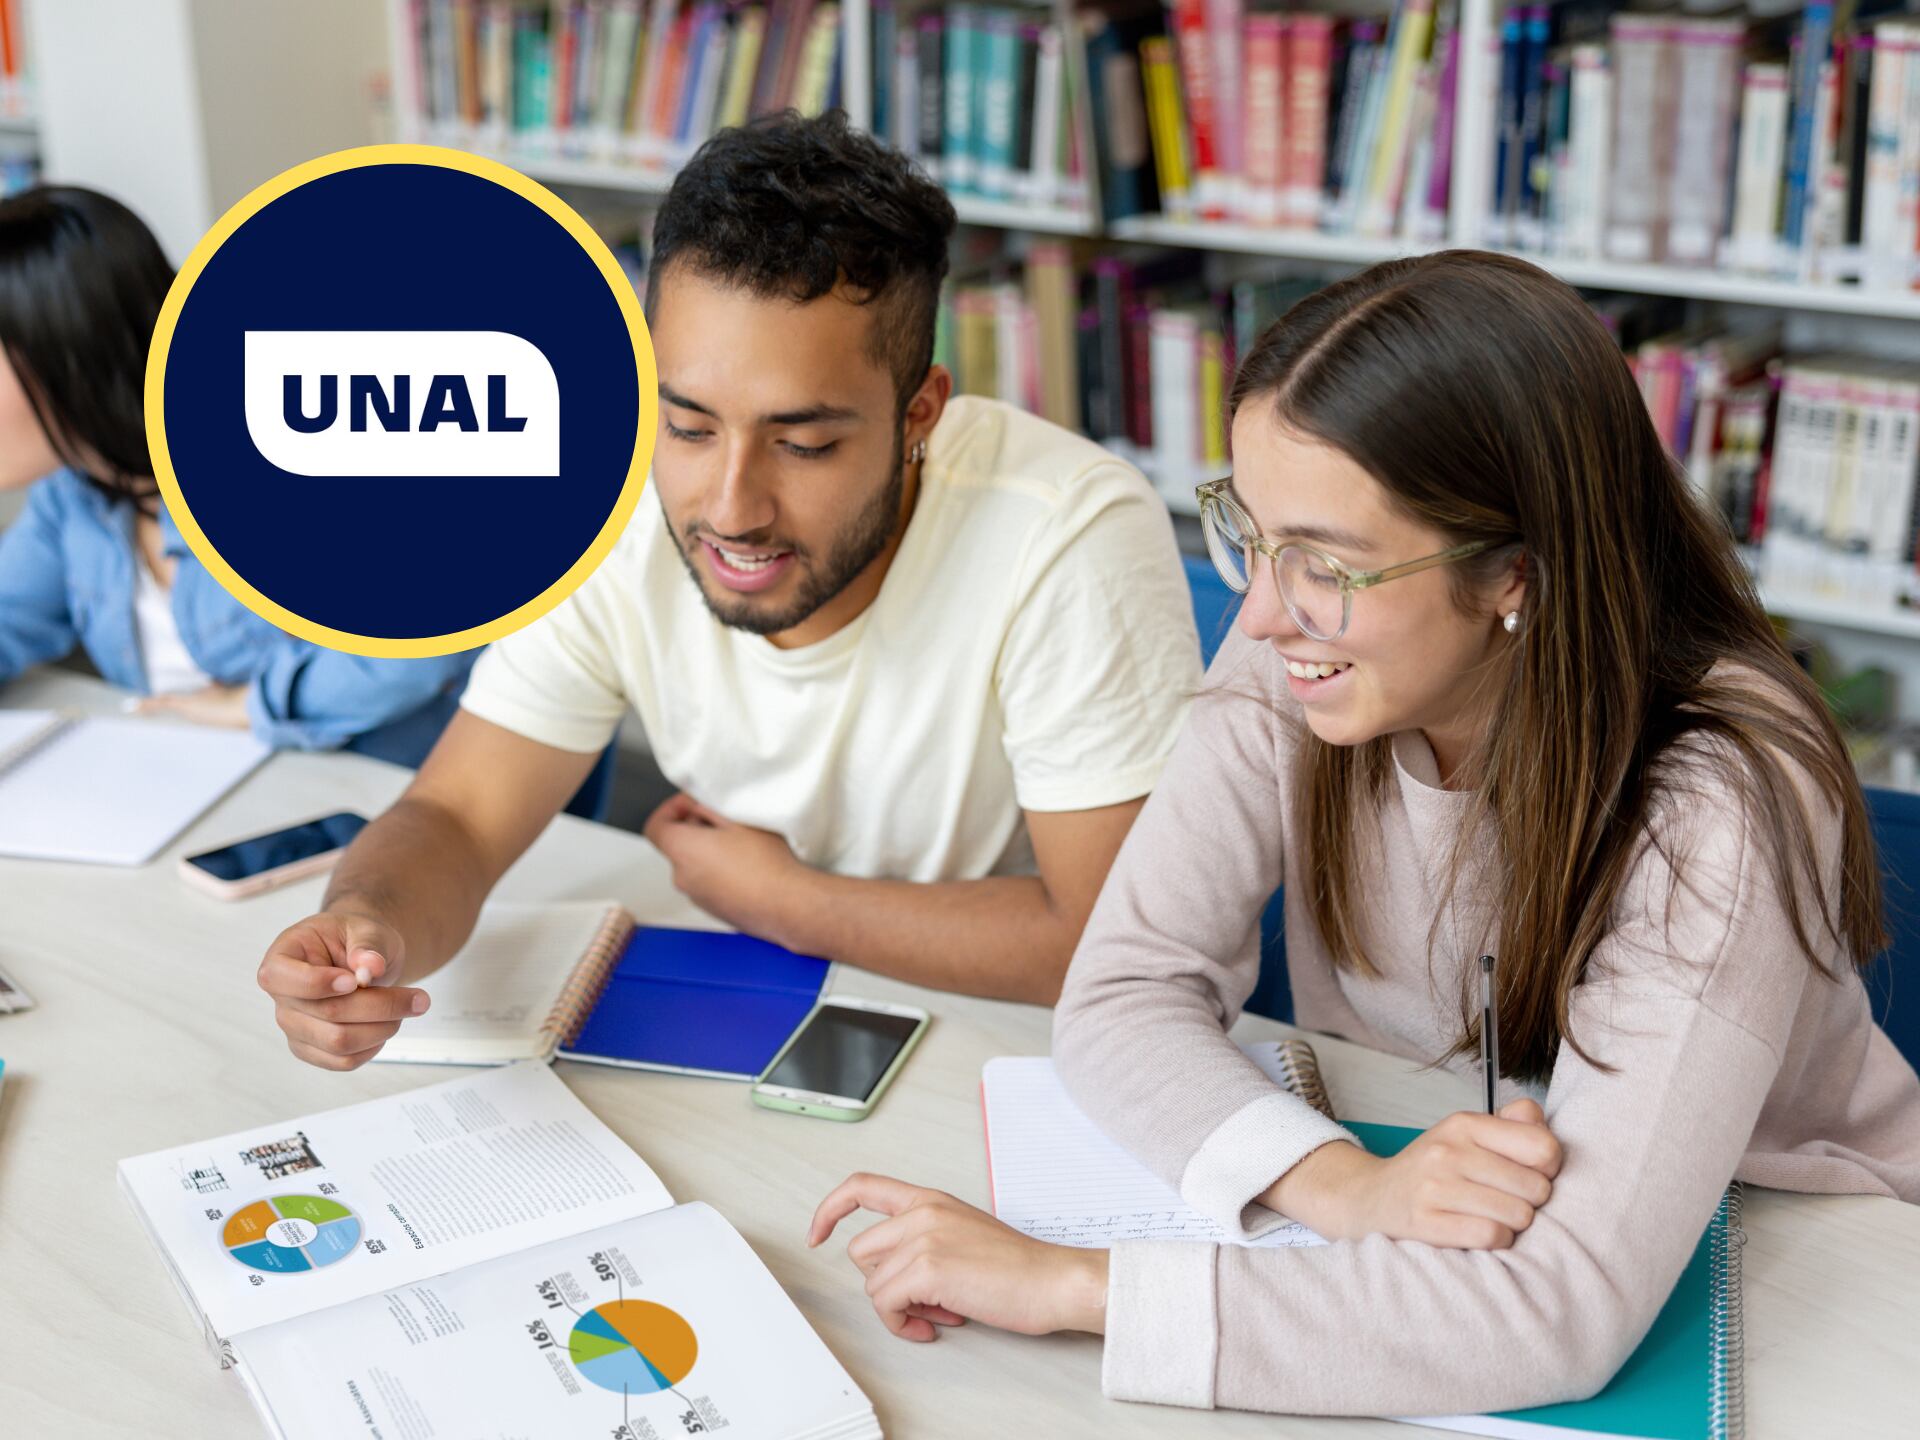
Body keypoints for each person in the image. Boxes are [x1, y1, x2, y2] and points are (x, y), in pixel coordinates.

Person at [808, 251, 1920, 1418]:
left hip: (1796, 1273)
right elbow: (1125, 986)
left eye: (1328, 565)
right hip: (1434, 1211)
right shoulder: (1295, 646)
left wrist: (1071, 1286)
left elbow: (1560, 1310)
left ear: (1517, 577)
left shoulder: (1721, 795)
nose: (1263, 614)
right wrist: (1347, 1188)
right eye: (1253, 532)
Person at [254, 111, 1198, 1068]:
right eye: (690, 427)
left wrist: (784, 901)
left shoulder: (1067, 529)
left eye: (805, 444)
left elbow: (1105, 942)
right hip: (740, 1009)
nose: (734, 509)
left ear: (919, 413)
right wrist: (367, 926)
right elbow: (456, 816)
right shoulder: (607, 503)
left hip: (1006, 1046)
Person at [0, 185, 476, 765]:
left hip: (390, 791)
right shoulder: (72, 493)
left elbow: (427, 642)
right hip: (206, 783)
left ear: (67, 354)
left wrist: (258, 705)